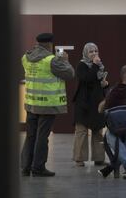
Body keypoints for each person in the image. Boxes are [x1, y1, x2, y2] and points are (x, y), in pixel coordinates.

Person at [21, 33, 75, 177]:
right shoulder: (51, 60)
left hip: (31, 102)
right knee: (42, 136)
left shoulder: (26, 57)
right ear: (49, 45)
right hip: (47, 104)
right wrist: (65, 61)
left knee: (30, 135)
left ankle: (25, 167)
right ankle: (38, 167)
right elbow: (70, 74)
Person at [72, 43, 109, 167]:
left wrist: (105, 84)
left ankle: (99, 158)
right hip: (83, 103)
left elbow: (98, 83)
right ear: (85, 53)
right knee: (81, 131)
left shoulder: (100, 66)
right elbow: (87, 78)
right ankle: (79, 159)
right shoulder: (81, 65)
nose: (94, 54)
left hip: (96, 103)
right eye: (91, 52)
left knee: (98, 131)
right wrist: (94, 65)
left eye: (96, 51)